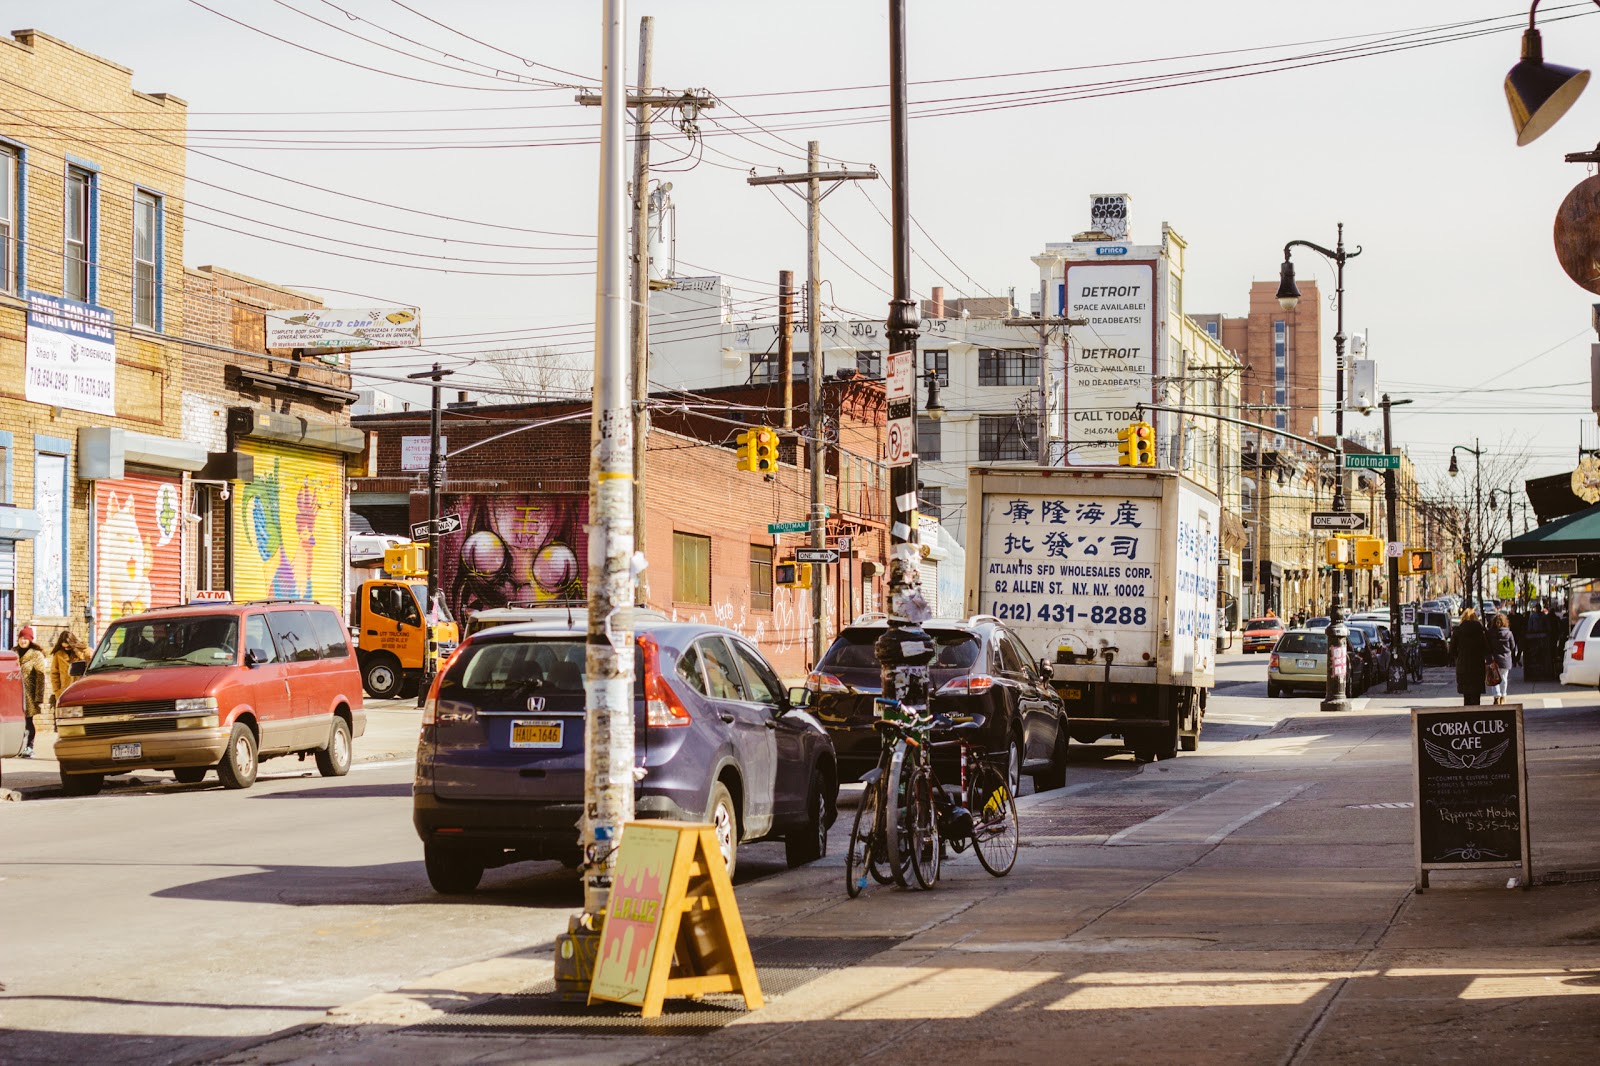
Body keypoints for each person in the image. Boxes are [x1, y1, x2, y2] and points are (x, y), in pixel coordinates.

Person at [16, 626, 51, 758]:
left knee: (28, 721)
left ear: (30, 640)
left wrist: (39, 697)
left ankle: (30, 747)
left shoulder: (36, 655)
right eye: (21, 638)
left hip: (29, 694)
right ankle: (18, 747)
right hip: (14, 694)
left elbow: (41, 677)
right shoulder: (13, 653)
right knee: (17, 722)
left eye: (26, 638)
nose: (23, 641)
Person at [48, 630, 89, 727]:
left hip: (80, 690)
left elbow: (89, 661)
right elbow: (54, 674)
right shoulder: (58, 655)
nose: (66, 647)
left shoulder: (84, 651)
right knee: (66, 721)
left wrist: (77, 651)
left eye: (68, 645)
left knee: (80, 720)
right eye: (64, 645)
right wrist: (57, 691)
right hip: (64, 691)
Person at [1450, 607, 1488, 706]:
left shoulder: (1458, 632)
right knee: (1476, 696)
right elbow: (1487, 649)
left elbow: (1452, 650)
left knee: (1466, 696)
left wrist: (1459, 656)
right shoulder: (1481, 631)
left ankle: (1467, 717)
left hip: (1463, 666)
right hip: (1477, 666)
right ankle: (1477, 717)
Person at [1486, 613, 1517, 705]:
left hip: (1494, 659)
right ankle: (1503, 696)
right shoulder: (1509, 633)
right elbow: (1513, 646)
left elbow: (1487, 647)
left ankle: (1496, 696)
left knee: (1494, 678)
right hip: (1505, 659)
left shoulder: (1490, 633)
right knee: (1504, 678)